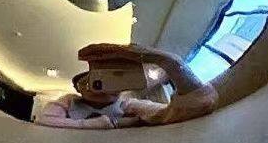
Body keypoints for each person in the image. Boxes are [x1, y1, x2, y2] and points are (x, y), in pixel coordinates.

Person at [36, 42, 218, 128]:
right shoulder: (70, 101)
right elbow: (44, 122)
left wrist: (170, 62)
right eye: (91, 82)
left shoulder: (128, 105)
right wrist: (106, 123)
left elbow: (190, 109)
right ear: (78, 89)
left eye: (111, 80)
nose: (102, 88)